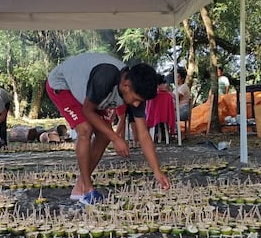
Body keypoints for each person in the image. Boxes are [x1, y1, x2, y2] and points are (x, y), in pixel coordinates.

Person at [46, 52, 171, 204]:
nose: (137, 105)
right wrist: (116, 137)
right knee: (85, 130)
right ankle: (86, 189)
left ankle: (79, 187)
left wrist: (157, 171)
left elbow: (144, 134)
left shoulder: (136, 90)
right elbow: (87, 111)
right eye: (136, 100)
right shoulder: (105, 77)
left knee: (104, 134)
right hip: (62, 85)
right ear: (126, 86)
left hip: (90, 94)